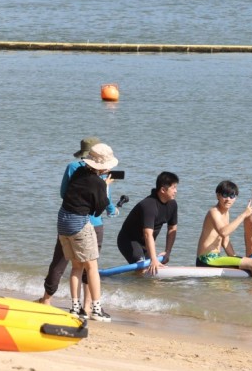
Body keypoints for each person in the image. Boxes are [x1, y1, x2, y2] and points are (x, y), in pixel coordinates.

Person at [38, 136, 117, 308]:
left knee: (61, 262)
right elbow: (105, 201)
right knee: (91, 266)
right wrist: (112, 208)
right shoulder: (101, 176)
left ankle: (47, 299)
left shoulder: (73, 167)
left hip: (68, 220)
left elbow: (64, 193)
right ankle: (88, 306)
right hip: (93, 223)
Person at [57, 143, 117, 321]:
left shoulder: (77, 172)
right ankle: (96, 309)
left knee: (76, 266)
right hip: (79, 224)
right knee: (92, 267)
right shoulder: (98, 182)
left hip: (63, 222)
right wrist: (105, 187)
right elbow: (97, 211)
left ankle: (75, 307)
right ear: (104, 166)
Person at [195, 180, 252, 278]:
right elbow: (223, 232)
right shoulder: (213, 212)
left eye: (232, 196)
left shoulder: (226, 213)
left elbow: (225, 242)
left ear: (235, 198)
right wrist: (243, 215)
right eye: (225, 195)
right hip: (206, 259)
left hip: (216, 258)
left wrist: (237, 259)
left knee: (251, 265)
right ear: (218, 196)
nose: (228, 199)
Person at [116, 171, 179, 277]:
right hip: (129, 240)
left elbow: (172, 229)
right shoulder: (148, 205)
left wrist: (167, 252)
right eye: (173, 188)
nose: (176, 191)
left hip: (146, 243)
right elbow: (147, 234)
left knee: (155, 270)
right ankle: (132, 292)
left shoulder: (172, 204)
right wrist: (154, 259)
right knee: (143, 269)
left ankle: (150, 292)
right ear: (163, 190)